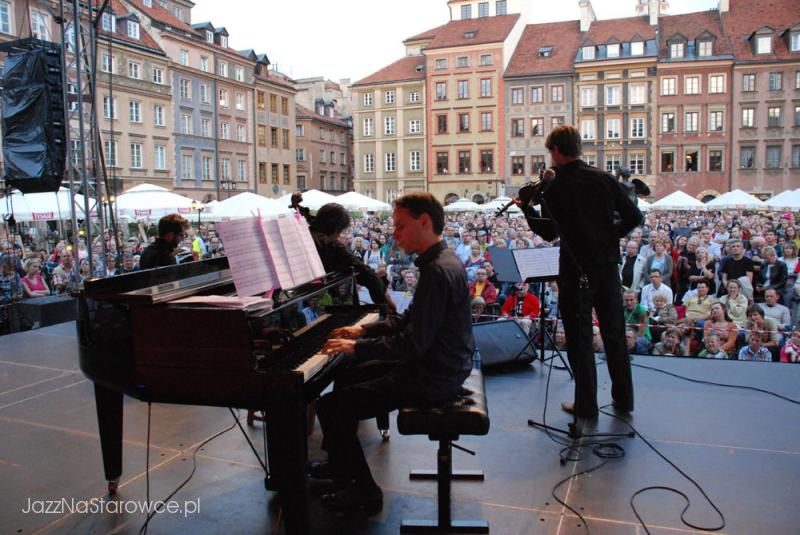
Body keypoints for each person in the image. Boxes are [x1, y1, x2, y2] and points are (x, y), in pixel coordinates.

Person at [314, 192, 473, 514]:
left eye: (401, 226)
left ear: (424, 222)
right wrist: (363, 331)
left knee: (331, 407)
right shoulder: (442, 261)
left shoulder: (437, 272)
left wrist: (357, 347)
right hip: (443, 365)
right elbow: (410, 320)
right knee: (346, 377)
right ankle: (342, 465)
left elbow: (412, 344)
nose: (395, 234)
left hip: (434, 375)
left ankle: (365, 492)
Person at [517, 125, 641, 420]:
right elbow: (635, 216)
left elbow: (548, 233)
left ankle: (586, 405)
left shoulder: (556, 186)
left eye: (550, 152)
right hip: (608, 268)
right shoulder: (605, 179)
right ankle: (624, 399)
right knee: (613, 333)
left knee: (580, 336)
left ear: (556, 151)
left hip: (574, 270)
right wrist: (610, 234)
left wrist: (527, 211)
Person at [309, 204, 395, 313]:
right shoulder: (329, 245)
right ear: (337, 229)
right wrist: (383, 298)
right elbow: (366, 274)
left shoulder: (303, 237)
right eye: (340, 232)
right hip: (325, 307)